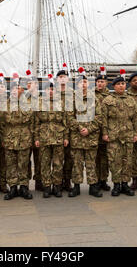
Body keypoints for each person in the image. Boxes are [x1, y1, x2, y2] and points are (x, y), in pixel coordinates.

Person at [102, 71, 137, 197]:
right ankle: (116, 185)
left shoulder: (131, 100)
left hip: (128, 136)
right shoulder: (108, 100)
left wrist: (136, 134)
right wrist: (105, 133)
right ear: (113, 86)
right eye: (118, 84)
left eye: (123, 84)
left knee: (127, 161)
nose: (121, 86)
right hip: (113, 137)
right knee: (114, 161)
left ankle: (125, 184)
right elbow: (103, 118)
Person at [67, 70, 102, 198]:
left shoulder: (95, 99)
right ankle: (76, 187)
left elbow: (99, 117)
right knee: (77, 163)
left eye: (85, 82)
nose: (83, 84)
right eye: (80, 82)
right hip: (77, 137)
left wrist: (90, 129)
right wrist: (80, 128)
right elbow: (69, 118)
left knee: (91, 163)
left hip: (91, 137)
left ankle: (93, 187)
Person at [34, 76, 69, 198]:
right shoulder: (39, 103)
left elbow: (65, 122)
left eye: (52, 89)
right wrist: (36, 138)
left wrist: (66, 137)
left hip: (58, 137)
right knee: (44, 163)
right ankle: (47, 186)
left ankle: (57, 186)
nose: (50, 91)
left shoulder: (61, 103)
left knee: (58, 163)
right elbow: (36, 123)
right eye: (48, 90)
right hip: (44, 138)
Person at [0, 81, 34, 200]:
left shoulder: (29, 104)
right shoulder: (5, 105)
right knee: (10, 164)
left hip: (24, 138)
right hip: (9, 138)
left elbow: (33, 122)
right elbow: (0, 123)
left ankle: (24, 187)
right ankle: (13, 187)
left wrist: (31, 137)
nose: (14, 91)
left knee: (24, 163)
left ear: (22, 91)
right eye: (12, 89)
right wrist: (3, 137)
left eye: (17, 88)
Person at [56, 63, 73, 192]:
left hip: (72, 131)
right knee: (57, 159)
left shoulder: (73, 94)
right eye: (60, 76)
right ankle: (57, 181)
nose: (62, 78)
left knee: (69, 158)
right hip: (56, 132)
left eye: (64, 76)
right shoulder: (52, 94)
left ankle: (67, 181)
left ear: (68, 79)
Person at [25, 70, 42, 191]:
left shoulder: (43, 100)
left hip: (40, 134)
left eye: (34, 83)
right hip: (25, 134)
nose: (32, 86)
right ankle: (25, 183)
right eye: (30, 84)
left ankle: (39, 181)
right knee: (25, 160)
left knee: (40, 159)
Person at [95, 67, 111, 191]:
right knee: (94, 158)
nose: (101, 83)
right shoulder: (91, 95)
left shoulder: (110, 96)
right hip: (94, 131)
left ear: (106, 83)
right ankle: (95, 180)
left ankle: (103, 180)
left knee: (105, 158)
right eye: (99, 81)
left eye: (103, 82)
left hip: (106, 131)